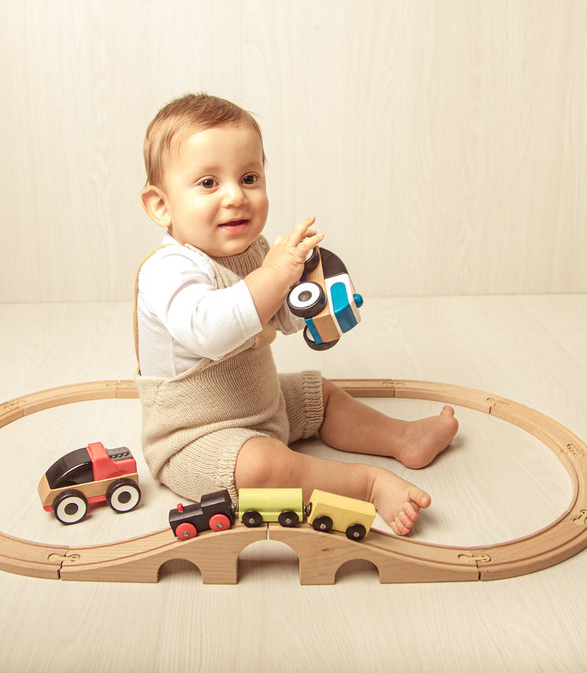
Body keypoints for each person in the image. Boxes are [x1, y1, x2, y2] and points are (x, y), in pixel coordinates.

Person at [133, 94, 458, 535]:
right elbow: (210, 331)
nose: (235, 197)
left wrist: (314, 306)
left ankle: (402, 438)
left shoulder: (256, 252)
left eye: (249, 178)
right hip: (195, 437)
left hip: (259, 405)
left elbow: (275, 320)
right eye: (208, 183)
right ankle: (364, 484)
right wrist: (274, 275)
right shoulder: (167, 269)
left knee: (317, 394)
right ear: (161, 206)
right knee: (263, 467)